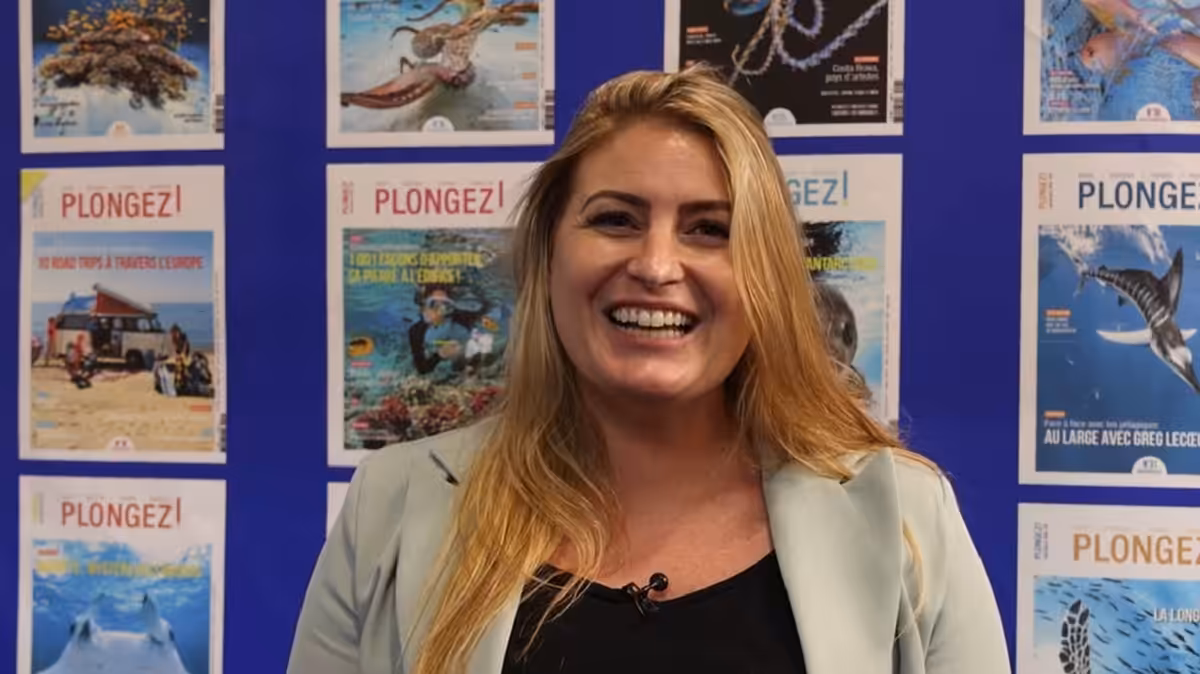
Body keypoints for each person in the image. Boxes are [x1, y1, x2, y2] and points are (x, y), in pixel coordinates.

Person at [287, 64, 1011, 674]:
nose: (657, 266)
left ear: (766, 274)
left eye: (709, 230)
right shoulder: (392, 505)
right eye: (615, 220)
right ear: (548, 252)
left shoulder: (909, 517)